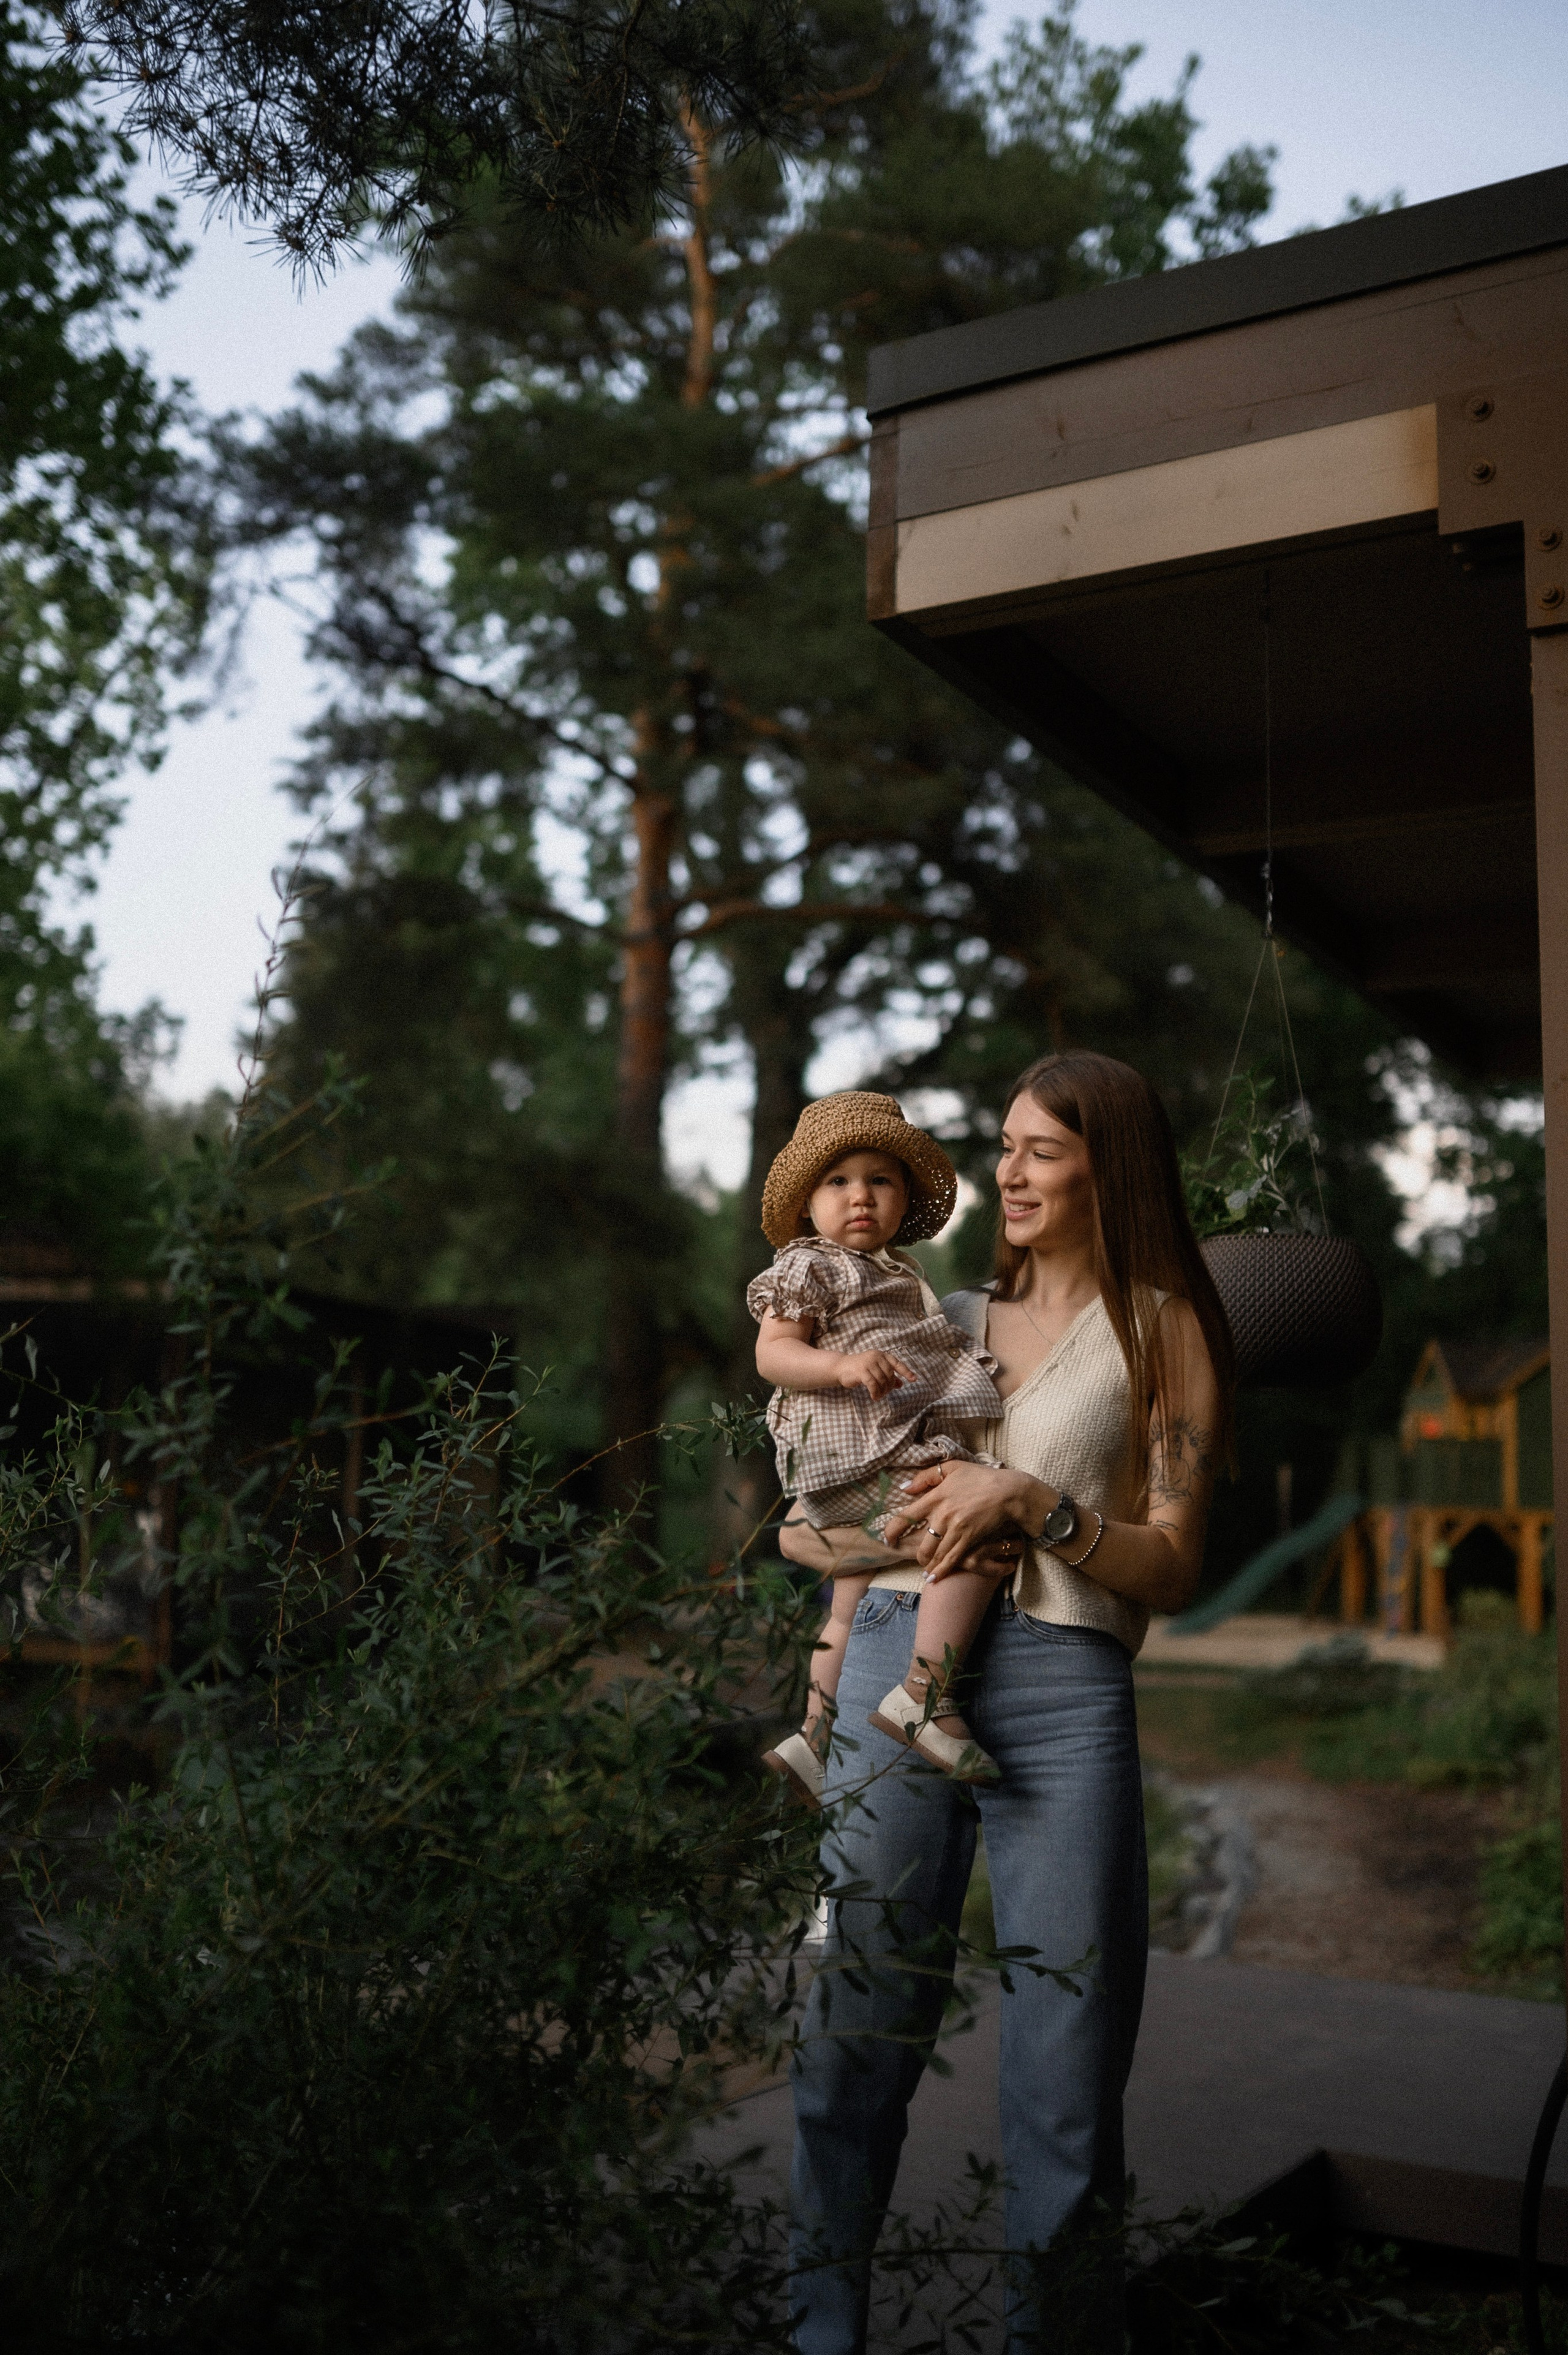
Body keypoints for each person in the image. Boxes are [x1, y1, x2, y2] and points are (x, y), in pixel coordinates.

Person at [782, 1051, 1235, 2355]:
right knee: (850, 2025)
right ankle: (820, 2331)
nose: (1009, 1171)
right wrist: (880, 1543)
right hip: (890, 1662)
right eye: (1005, 1144)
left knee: (1068, 2062)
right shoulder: (935, 1312)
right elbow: (810, 1521)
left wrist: (1032, 1502)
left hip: (1065, 1691)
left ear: (1110, 1165)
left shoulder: (1162, 1330)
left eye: (1042, 1148)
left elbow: (1175, 1562)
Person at [746, 1092, 1008, 1805]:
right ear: (806, 1205)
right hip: (851, 1453)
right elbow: (773, 1352)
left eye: (880, 1180)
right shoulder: (809, 1264)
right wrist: (840, 1366)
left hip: (879, 1448)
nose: (859, 1195)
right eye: (838, 1180)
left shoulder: (902, 1274)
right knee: (967, 1533)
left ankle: (813, 1735)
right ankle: (924, 1695)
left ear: (904, 1198)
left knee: (846, 1605)